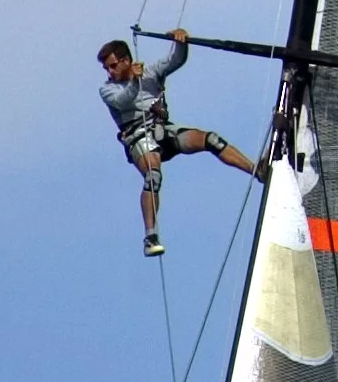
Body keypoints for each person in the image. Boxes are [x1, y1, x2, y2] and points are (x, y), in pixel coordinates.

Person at [98, 30, 262, 256]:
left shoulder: (150, 72)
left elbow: (175, 60)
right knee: (153, 176)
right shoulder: (108, 89)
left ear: (126, 60)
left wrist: (180, 42)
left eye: (113, 65)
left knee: (211, 139)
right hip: (138, 137)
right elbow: (123, 100)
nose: (110, 71)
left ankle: (257, 170)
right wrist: (135, 81)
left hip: (163, 131)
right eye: (107, 68)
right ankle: (150, 236)